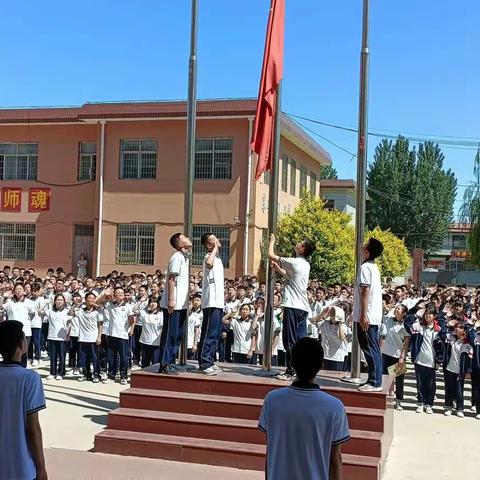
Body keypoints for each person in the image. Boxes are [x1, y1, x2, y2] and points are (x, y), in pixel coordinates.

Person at [258, 337, 350, 480]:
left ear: (291, 363)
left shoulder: (272, 400)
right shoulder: (334, 406)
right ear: (321, 365)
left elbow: (270, 450)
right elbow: (335, 459)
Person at [0, 320, 48, 480]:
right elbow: (33, 427)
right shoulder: (30, 378)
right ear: (21, 344)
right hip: (22, 465)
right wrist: (41, 467)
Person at [268, 233, 316, 380]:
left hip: (293, 306)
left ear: (302, 249)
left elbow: (270, 255)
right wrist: (278, 269)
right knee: (299, 341)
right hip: (302, 307)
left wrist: (272, 241)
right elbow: (290, 276)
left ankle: (291, 370)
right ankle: (299, 370)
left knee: (289, 339)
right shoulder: (305, 264)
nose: (297, 243)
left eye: (300, 243)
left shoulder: (295, 262)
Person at [353, 238, 384, 392]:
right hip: (371, 314)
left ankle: (375, 381)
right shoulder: (373, 267)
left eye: (364, 245)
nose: (361, 246)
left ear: (367, 251)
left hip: (367, 315)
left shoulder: (365, 267)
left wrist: (363, 315)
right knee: (372, 348)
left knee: (370, 348)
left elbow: (365, 291)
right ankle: (374, 379)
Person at [158, 233, 191, 375]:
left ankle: (171, 361)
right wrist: (171, 299)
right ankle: (165, 364)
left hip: (181, 304)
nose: (189, 238)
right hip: (174, 303)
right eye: (185, 238)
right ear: (180, 244)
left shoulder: (185, 257)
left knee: (177, 335)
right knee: (170, 334)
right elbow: (172, 279)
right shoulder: (177, 257)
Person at [198, 232, 225, 375]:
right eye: (213, 240)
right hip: (211, 301)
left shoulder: (218, 258)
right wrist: (214, 249)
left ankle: (210, 359)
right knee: (209, 332)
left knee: (215, 334)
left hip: (218, 301)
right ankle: (205, 362)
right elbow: (209, 264)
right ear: (208, 245)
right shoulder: (208, 256)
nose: (217, 241)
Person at [380, 304, 411, 410]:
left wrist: (402, 357)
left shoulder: (405, 326)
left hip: (398, 356)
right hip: (386, 353)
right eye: (396, 308)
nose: (396, 309)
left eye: (399, 308)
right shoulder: (388, 320)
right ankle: (387, 397)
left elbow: (406, 343)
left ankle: (398, 401)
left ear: (404, 313)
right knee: (386, 377)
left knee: (398, 379)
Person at [76, 292, 103, 383]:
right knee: (84, 358)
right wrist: (79, 304)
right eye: (89, 298)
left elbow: (100, 325)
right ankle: (86, 374)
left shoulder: (97, 312)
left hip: (93, 338)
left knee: (95, 358)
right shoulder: (81, 311)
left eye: (93, 298)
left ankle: (96, 374)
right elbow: (70, 313)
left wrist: (99, 337)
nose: (91, 300)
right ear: (86, 300)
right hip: (83, 338)